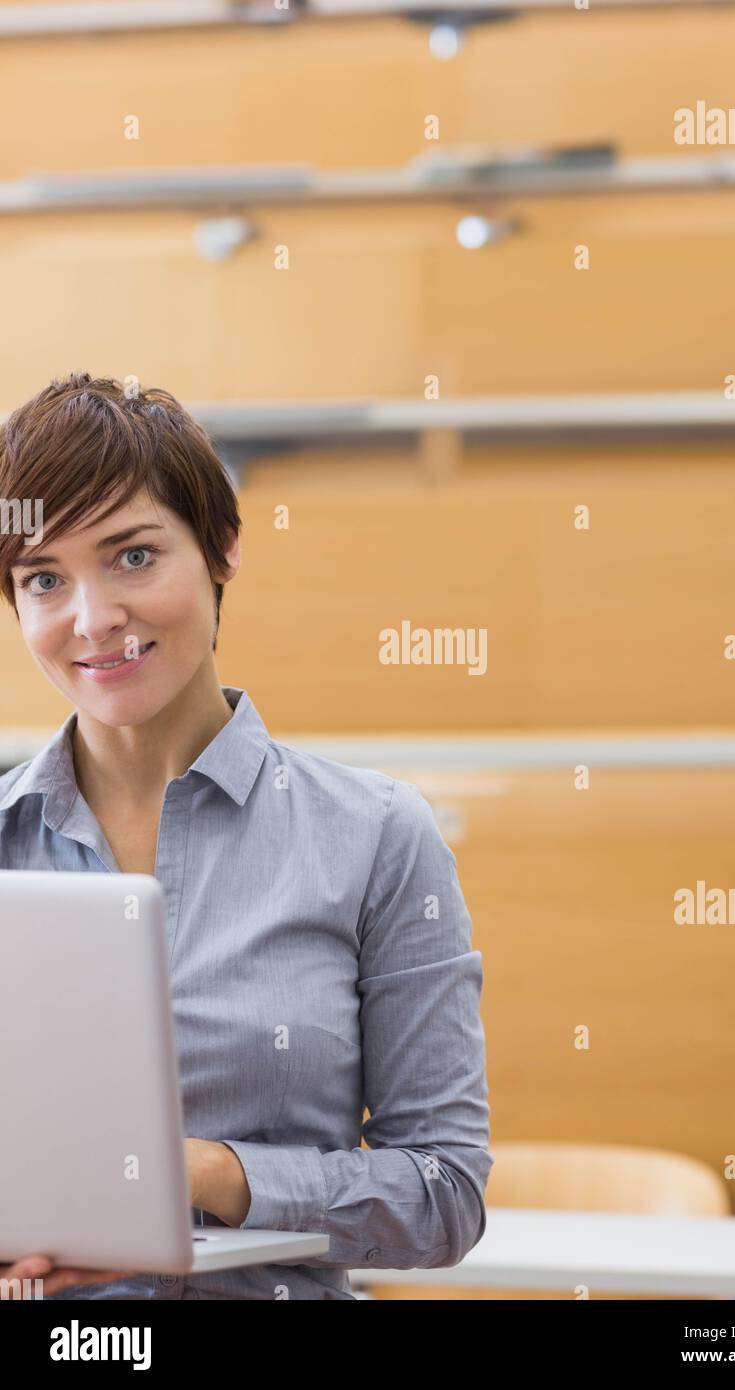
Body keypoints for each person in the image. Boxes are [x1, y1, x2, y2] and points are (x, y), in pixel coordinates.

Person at [0, 372, 492, 1300]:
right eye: (42, 579)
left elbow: (445, 1193)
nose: (93, 617)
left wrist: (203, 1174)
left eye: (134, 556)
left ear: (221, 549)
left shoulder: (376, 837)